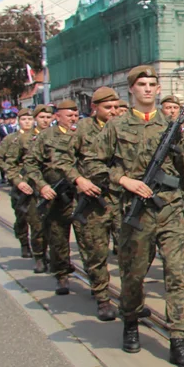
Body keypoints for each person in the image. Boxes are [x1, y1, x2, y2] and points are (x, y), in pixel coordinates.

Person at [83, 65, 184, 367]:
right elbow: (91, 164)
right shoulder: (116, 126)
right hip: (135, 214)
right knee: (133, 275)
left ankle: (179, 339)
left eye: (153, 84)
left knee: (176, 274)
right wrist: (123, 180)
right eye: (142, 85)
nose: (148, 89)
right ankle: (131, 322)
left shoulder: (171, 124)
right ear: (132, 91)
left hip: (170, 209)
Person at [59, 88, 120, 320]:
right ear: (94, 108)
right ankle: (103, 298)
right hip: (94, 200)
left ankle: (132, 298)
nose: (113, 112)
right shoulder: (82, 130)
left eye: (115, 107)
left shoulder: (124, 126)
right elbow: (63, 160)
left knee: (131, 252)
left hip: (121, 199)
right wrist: (79, 180)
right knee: (96, 251)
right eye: (108, 108)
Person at [23, 99, 81, 297]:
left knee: (88, 238)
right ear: (57, 117)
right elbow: (30, 164)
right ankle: (62, 274)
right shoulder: (46, 137)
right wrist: (42, 186)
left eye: (75, 115)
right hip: (57, 195)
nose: (73, 118)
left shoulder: (84, 134)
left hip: (82, 195)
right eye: (69, 115)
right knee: (58, 237)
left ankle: (96, 278)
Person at [0, 108, 36, 257]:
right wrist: (11, 173)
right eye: (24, 119)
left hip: (36, 183)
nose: (27, 122)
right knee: (22, 216)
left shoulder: (40, 137)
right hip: (19, 184)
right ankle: (24, 243)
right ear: (19, 121)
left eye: (30, 119)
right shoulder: (11, 139)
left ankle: (40, 250)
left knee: (38, 219)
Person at [26, 106, 53, 272]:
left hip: (55, 189)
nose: (45, 120)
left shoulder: (58, 135)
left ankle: (57, 258)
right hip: (34, 189)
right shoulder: (24, 139)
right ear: (35, 118)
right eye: (42, 117)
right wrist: (18, 180)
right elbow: (2, 160)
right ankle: (39, 256)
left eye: (48, 117)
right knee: (37, 225)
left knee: (55, 227)